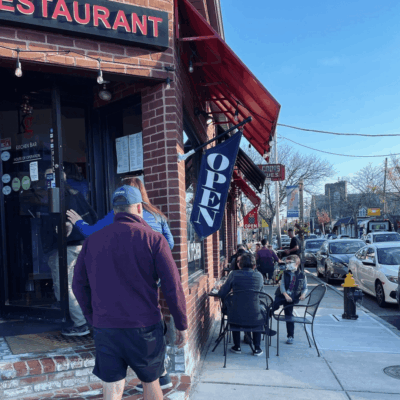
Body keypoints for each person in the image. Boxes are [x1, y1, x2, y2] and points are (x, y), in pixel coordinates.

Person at [72, 185, 188, 400]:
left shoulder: (92, 241)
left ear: (115, 211)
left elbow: (78, 285)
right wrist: (181, 324)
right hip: (144, 328)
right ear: (139, 208)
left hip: (106, 327)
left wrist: (92, 317)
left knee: (112, 386)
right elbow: (173, 287)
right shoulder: (154, 239)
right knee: (151, 381)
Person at [41, 169, 98, 336]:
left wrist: (66, 228)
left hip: (66, 246)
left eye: (48, 178)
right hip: (80, 245)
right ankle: (78, 318)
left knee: (65, 285)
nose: (46, 182)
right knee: (76, 284)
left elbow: (63, 224)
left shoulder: (58, 196)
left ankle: (79, 324)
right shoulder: (75, 193)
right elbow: (92, 217)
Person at [67, 176, 174, 250]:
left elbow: (90, 233)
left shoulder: (117, 214)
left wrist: (78, 221)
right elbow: (170, 244)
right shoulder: (157, 215)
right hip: (154, 276)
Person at [218, 253, 269, 356]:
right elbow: (262, 294)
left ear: (239, 265)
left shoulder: (233, 274)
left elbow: (222, 293)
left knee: (234, 309)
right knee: (258, 311)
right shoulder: (259, 276)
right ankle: (257, 348)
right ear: (254, 266)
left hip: (236, 317)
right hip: (255, 316)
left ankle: (237, 346)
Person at [271, 255, 307, 345]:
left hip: (292, 298)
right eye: (286, 263)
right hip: (282, 295)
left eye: (290, 263)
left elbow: (304, 287)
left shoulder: (302, 275)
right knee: (273, 307)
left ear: (297, 263)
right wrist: (286, 295)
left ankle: (290, 335)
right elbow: (282, 285)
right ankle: (264, 322)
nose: (287, 265)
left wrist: (303, 294)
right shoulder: (285, 273)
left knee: (289, 315)